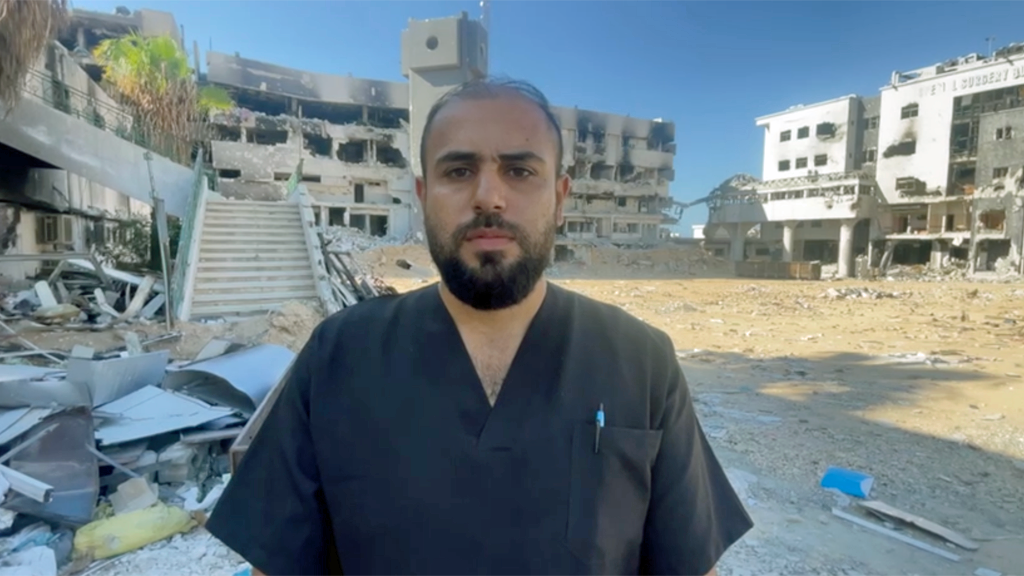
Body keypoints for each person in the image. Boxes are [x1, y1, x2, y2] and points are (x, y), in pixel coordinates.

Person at [206, 77, 753, 576]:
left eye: (520, 170)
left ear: (559, 198)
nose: (489, 196)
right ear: (423, 197)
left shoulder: (641, 362)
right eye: (459, 170)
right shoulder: (338, 356)